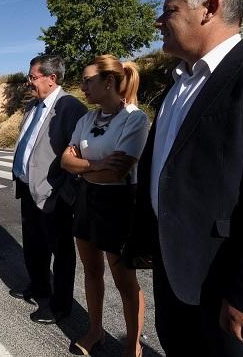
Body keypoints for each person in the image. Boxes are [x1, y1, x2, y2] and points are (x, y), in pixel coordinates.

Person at [128, 0, 243, 356]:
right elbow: (166, 170)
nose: (158, 22)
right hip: (175, 276)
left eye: (170, 10)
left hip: (229, 289)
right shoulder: (175, 88)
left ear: (209, 9)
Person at [61, 55, 149, 356]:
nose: (82, 86)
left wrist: (82, 165)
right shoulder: (86, 119)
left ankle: (133, 345)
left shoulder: (134, 119)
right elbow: (65, 160)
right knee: (91, 271)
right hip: (87, 198)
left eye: (88, 80)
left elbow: (118, 171)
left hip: (119, 202)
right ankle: (95, 331)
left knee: (125, 281)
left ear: (108, 82)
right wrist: (96, 164)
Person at [9, 55, 87, 324]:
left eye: (33, 77)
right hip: (28, 188)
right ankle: (39, 286)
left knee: (61, 252)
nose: (28, 82)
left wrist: (65, 194)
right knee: (33, 245)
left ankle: (61, 305)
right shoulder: (33, 105)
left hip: (54, 193)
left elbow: (78, 155)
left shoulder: (70, 108)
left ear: (51, 78)